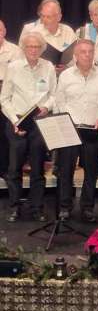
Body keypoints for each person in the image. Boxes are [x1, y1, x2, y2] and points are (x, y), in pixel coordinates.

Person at [0, 32, 57, 222]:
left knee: (38, 168)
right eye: (30, 46)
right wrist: (14, 121)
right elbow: (4, 99)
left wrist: (46, 107)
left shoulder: (48, 67)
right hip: (17, 121)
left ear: (42, 49)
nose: (33, 50)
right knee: (14, 167)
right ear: (24, 48)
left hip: (39, 123)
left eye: (37, 47)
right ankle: (15, 207)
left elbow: (54, 94)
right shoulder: (14, 67)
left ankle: (37, 207)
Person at [55, 39, 98, 222]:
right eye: (83, 52)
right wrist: (65, 121)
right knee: (65, 170)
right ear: (75, 55)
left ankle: (87, 207)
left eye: (90, 51)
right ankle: (64, 207)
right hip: (70, 128)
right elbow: (59, 102)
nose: (87, 55)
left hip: (92, 129)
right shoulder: (66, 76)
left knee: (91, 171)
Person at [22, 0, 77, 74]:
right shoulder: (34, 33)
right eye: (43, 16)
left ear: (59, 17)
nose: (44, 20)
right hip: (41, 74)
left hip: (66, 73)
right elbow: (25, 58)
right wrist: (49, 68)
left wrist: (67, 68)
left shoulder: (68, 31)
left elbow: (76, 55)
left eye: (48, 17)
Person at [0, 20, 22, 177]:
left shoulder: (15, 50)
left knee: (4, 132)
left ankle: (4, 168)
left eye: (0, 30)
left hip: (7, 90)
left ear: (5, 31)